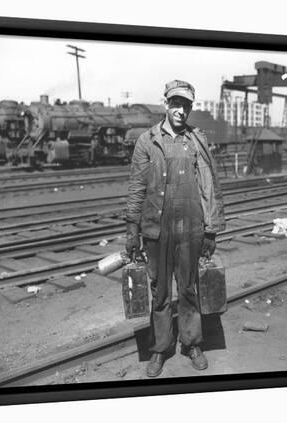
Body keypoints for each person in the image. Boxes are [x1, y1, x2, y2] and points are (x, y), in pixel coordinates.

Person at [125, 80, 225, 377]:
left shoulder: (197, 140)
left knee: (189, 288)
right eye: (176, 103)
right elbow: (137, 188)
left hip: (191, 227)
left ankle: (192, 343)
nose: (181, 110)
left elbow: (210, 187)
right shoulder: (147, 141)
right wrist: (133, 229)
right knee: (160, 293)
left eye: (186, 105)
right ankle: (160, 347)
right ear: (165, 103)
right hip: (157, 228)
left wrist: (211, 230)